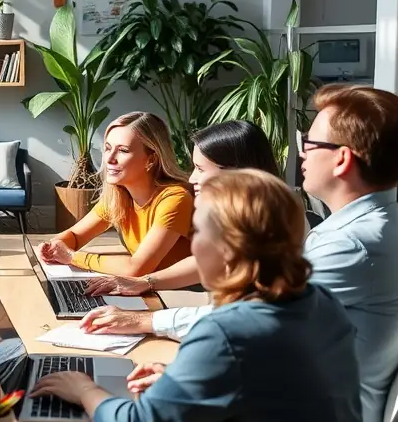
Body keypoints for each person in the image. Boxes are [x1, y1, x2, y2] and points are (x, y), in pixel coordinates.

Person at [32, 170, 370, 422]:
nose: (191, 245)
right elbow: (269, 381)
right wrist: (183, 379)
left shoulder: (229, 330)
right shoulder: (318, 302)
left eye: (198, 233)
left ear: (228, 250)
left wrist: (85, 389)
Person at [118, 85, 398, 422]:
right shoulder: (381, 222)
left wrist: (152, 326)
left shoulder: (351, 245)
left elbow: (251, 327)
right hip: (307, 413)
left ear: (342, 160)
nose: (302, 153)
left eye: (310, 144)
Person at [78, 120, 282, 334]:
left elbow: (238, 318)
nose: (192, 177)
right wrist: (145, 283)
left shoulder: (272, 232)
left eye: (201, 169)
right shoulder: (243, 217)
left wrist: (141, 320)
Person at [40, 112, 193, 276]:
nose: (110, 159)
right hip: (152, 286)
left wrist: (72, 257)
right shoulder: (118, 197)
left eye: (123, 150)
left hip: (194, 293)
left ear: (151, 160)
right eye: (107, 148)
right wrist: (54, 246)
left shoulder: (175, 199)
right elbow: (76, 236)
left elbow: (136, 268)